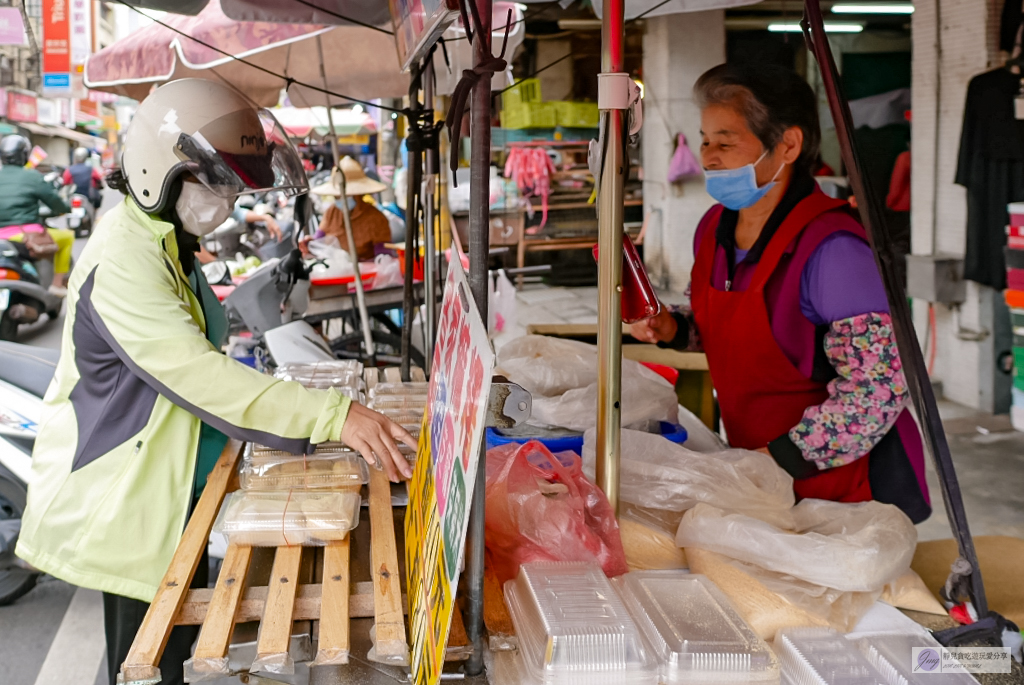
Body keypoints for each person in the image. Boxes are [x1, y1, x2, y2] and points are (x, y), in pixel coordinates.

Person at [14, 79, 416, 685]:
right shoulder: (124, 258)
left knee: (170, 651)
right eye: (216, 181)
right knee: (148, 664)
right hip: (130, 499)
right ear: (158, 170)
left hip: (173, 486)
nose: (228, 198)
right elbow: (197, 374)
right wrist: (335, 416)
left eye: (234, 183)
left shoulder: (170, 240)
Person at [631, 64, 930, 523]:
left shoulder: (834, 251)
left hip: (845, 490)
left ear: (787, 145)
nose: (709, 157)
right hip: (760, 471)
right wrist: (673, 326)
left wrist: (777, 461)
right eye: (705, 140)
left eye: (726, 142)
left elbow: (877, 391)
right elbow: (720, 328)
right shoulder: (714, 230)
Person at [0, 135, 74, 294]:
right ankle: (57, 284)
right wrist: (65, 208)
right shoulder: (32, 176)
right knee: (67, 236)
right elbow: (56, 202)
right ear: (24, 155)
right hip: (24, 237)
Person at [311, 156, 392, 260]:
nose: (340, 199)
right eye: (337, 196)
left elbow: (383, 254)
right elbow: (318, 239)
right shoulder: (331, 212)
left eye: (346, 195)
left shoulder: (376, 218)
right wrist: (309, 244)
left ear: (358, 195)